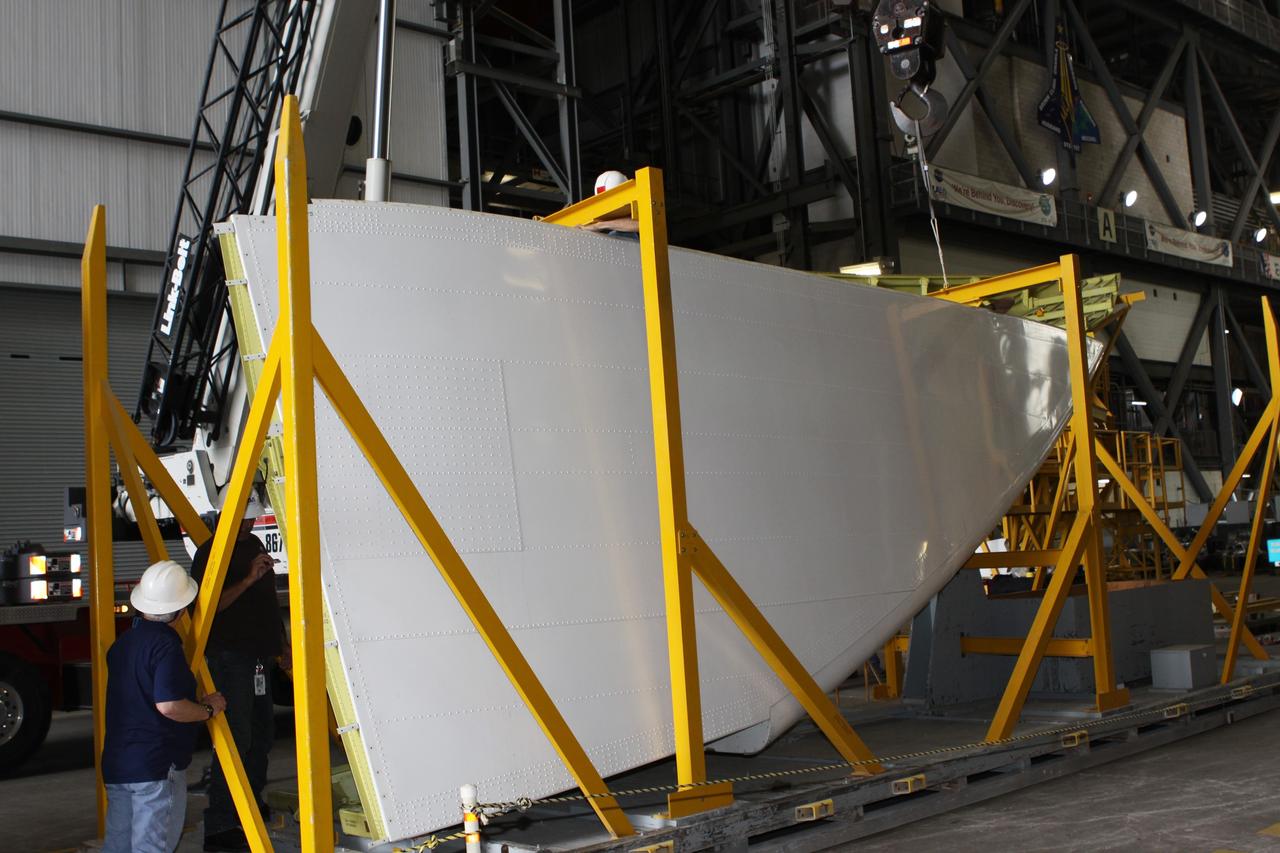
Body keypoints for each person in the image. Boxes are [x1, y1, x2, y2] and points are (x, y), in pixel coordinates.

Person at [103, 560, 227, 853]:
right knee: (152, 847)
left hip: (119, 765)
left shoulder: (122, 644)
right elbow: (169, 706)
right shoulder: (167, 647)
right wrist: (208, 710)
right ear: (182, 609)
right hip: (156, 764)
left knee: (118, 846)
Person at [190, 491, 285, 853]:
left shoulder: (255, 543)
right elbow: (209, 608)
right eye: (244, 519)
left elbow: (265, 600)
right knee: (237, 740)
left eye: (252, 518)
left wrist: (281, 644)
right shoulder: (210, 553)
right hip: (230, 659)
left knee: (262, 735)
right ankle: (221, 824)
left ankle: (250, 806)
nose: (249, 524)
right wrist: (246, 579)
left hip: (258, 657)